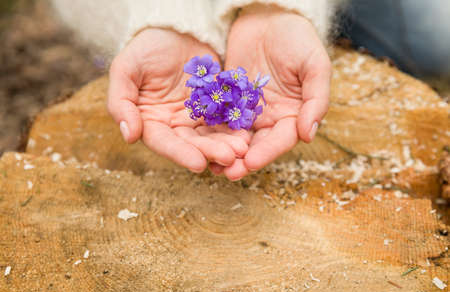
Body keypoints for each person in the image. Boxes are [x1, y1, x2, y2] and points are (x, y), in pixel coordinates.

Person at [51, 0, 344, 181]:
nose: (217, 97)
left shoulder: (223, 93)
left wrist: (278, 8)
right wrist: (163, 17)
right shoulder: (207, 94)